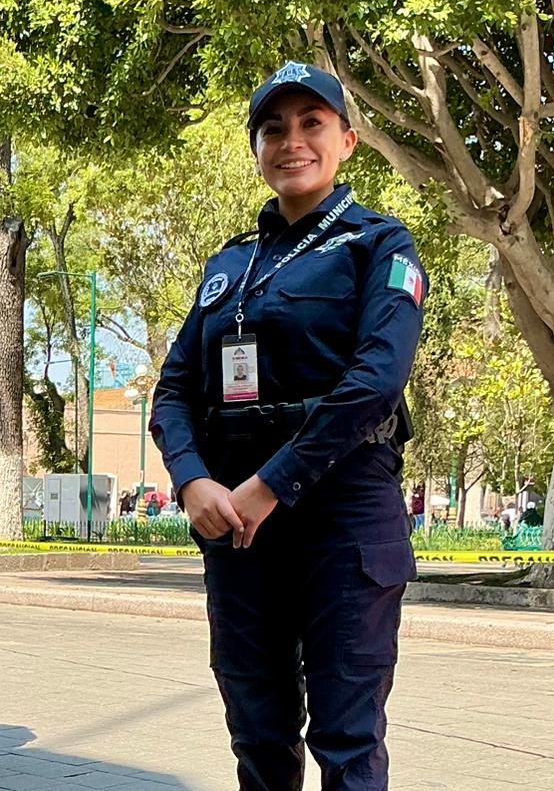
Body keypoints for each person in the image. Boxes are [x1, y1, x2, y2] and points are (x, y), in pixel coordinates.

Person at [150, 62, 426, 790]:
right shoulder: (230, 265)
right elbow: (173, 390)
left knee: (347, 739)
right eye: (273, 129)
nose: (291, 141)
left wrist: (270, 485)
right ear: (257, 149)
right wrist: (192, 481)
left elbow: (375, 383)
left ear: (347, 141)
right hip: (236, 523)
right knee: (258, 736)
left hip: (343, 514)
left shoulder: (379, 246)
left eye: (311, 124)